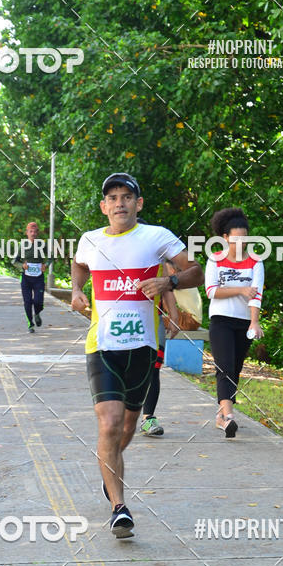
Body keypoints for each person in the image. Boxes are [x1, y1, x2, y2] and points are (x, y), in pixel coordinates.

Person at [71, 172, 204, 537]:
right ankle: (119, 507)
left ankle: (108, 468)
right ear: (104, 207)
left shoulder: (156, 237)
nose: (119, 203)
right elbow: (80, 265)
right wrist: (76, 290)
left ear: (138, 203)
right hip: (102, 347)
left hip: (142, 348)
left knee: (128, 426)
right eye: (112, 198)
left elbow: (196, 270)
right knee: (110, 424)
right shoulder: (90, 240)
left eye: (126, 197)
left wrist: (169, 281)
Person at [205, 207, 264, 438]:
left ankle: (221, 415)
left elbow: (256, 294)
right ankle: (229, 417)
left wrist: (254, 322)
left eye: (245, 239)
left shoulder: (255, 262)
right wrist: (240, 289)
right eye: (236, 239)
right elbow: (211, 291)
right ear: (226, 238)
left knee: (236, 369)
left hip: (243, 322)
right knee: (225, 367)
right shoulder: (215, 259)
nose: (241, 244)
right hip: (220, 320)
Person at [140, 264, 180, 436]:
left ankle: (148, 418)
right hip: (124, 323)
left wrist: (174, 315)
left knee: (153, 368)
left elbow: (166, 289)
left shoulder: (156, 259)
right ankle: (121, 414)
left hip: (153, 319)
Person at [13, 221, 47, 331]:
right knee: (27, 301)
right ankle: (30, 323)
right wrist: (22, 266)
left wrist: (45, 265)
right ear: (27, 233)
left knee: (38, 301)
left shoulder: (42, 245)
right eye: (30, 231)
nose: (33, 233)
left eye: (34, 232)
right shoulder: (22, 246)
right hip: (26, 278)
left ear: (37, 233)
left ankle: (37, 313)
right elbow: (14, 261)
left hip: (38, 278)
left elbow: (51, 257)